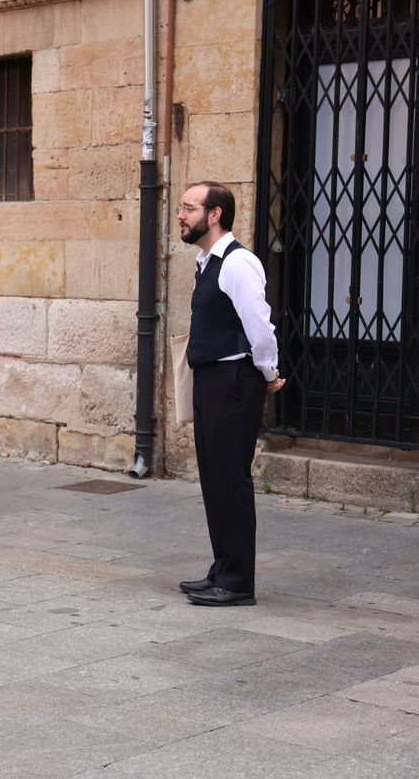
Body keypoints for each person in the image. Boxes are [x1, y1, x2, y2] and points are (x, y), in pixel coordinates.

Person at [177, 181, 285, 608]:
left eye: (188, 208)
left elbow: (260, 324)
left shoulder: (239, 263)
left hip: (234, 380)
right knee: (214, 478)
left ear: (215, 214)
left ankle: (238, 583)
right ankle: (222, 571)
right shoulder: (206, 261)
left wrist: (269, 371)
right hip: (211, 380)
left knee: (231, 480)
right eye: (181, 208)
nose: (181, 215)